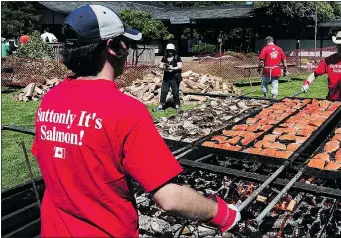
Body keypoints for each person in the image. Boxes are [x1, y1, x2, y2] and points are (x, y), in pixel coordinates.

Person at [31, 5, 239, 237]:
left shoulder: (50, 100)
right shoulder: (125, 111)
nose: (128, 49)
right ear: (113, 48)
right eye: (125, 42)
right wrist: (223, 213)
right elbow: (169, 198)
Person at [302, 31, 341, 101]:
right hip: (332, 98)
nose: (340, 46)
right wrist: (307, 83)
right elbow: (314, 74)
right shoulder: (328, 60)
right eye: (338, 44)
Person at [154, 43, 183, 113]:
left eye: (171, 50)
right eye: (168, 50)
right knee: (163, 92)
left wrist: (172, 68)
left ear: (173, 51)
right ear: (166, 50)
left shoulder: (177, 57)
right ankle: (161, 106)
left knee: (175, 92)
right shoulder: (165, 57)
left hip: (174, 77)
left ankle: (177, 106)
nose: (170, 52)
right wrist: (165, 66)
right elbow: (160, 65)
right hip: (166, 77)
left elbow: (180, 66)